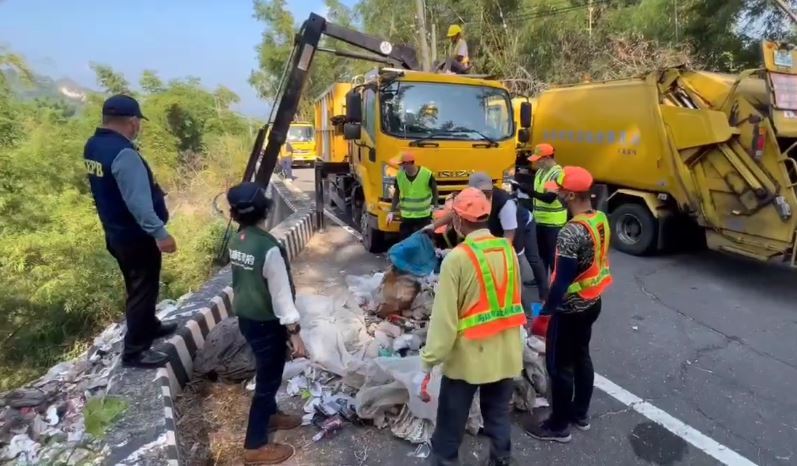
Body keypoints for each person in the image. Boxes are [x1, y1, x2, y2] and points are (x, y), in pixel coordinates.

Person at [420, 187, 526, 466]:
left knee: (451, 422)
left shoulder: (457, 258)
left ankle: (445, 461)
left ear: (458, 219)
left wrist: (430, 358)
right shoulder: (508, 250)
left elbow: (445, 319)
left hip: (469, 357)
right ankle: (501, 459)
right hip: (505, 351)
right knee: (498, 414)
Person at [84, 94, 177, 368]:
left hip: (115, 232)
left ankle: (149, 325)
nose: (138, 127)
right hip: (135, 236)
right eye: (138, 122)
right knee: (142, 289)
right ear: (132, 122)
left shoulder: (93, 146)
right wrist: (161, 234)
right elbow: (139, 205)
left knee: (136, 284)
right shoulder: (124, 153)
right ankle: (136, 350)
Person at [524, 166, 613, 443]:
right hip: (592, 302)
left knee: (558, 367)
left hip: (570, 309)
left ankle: (559, 425)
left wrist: (545, 313)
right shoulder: (599, 219)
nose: (558, 194)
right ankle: (580, 414)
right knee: (581, 356)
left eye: (561, 190)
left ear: (572, 194)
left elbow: (561, 282)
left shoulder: (570, 233)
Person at [226, 182, 307, 464]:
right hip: (266, 322)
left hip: (247, 319)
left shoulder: (238, 240)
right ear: (265, 209)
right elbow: (282, 297)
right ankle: (255, 444)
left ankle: (271, 415)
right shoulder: (269, 248)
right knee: (267, 380)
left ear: (235, 215)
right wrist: (295, 333)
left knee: (267, 372)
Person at [526, 143, 567, 274]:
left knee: (553, 257)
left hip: (554, 223)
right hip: (539, 221)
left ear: (547, 158)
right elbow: (538, 195)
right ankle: (541, 279)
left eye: (538, 160)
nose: (536, 163)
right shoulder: (540, 172)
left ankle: (555, 285)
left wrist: (528, 191)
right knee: (540, 254)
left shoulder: (557, 173)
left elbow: (549, 198)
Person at [389, 152, 438, 240]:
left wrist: (436, 207)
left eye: (403, 164)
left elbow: (435, 191)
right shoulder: (400, 176)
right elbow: (397, 193)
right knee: (405, 241)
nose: (402, 167)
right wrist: (391, 211)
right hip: (406, 217)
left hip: (423, 216)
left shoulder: (426, 174)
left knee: (423, 240)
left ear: (410, 163)